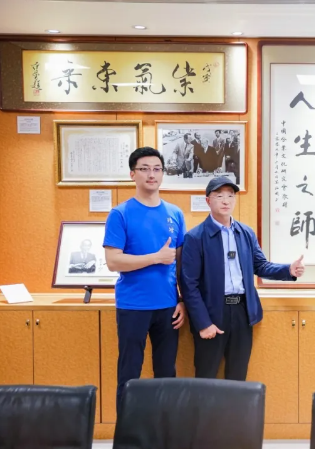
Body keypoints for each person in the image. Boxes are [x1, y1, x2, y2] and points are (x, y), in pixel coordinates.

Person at [181, 177, 305, 380]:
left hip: (242, 311)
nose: (226, 201)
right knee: (206, 375)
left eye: (230, 196)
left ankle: (235, 404)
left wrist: (288, 270)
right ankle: (204, 405)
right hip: (212, 312)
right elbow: (189, 285)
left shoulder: (245, 233)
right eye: (219, 196)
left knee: (238, 375)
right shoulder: (195, 237)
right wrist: (203, 323)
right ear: (208, 201)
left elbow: (260, 266)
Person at [103, 146, 186, 414]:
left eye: (157, 169)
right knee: (129, 374)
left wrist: (182, 300)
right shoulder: (120, 214)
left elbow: (181, 264)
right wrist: (155, 258)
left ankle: (164, 430)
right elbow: (113, 261)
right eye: (145, 169)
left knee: (166, 374)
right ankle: (128, 432)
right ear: (133, 174)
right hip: (133, 306)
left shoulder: (175, 213)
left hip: (168, 307)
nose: (152, 174)